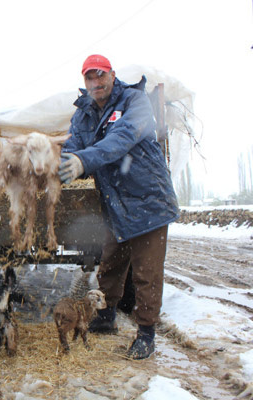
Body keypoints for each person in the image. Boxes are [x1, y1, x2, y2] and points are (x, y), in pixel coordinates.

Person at [59, 54, 179, 359]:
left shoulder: (135, 101)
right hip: (116, 204)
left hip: (148, 200)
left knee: (146, 273)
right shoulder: (83, 114)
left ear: (112, 75)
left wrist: (84, 160)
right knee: (111, 264)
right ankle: (106, 314)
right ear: (84, 82)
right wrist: (61, 166)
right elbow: (72, 147)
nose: (96, 83)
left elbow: (121, 139)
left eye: (100, 75)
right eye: (89, 78)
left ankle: (146, 333)